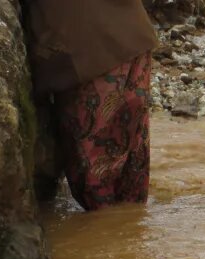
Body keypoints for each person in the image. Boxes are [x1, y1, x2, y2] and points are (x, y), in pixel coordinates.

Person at [23, 0, 157, 210]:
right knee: (132, 147)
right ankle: (128, 227)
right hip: (130, 35)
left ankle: (114, 229)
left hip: (87, 51)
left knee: (94, 169)